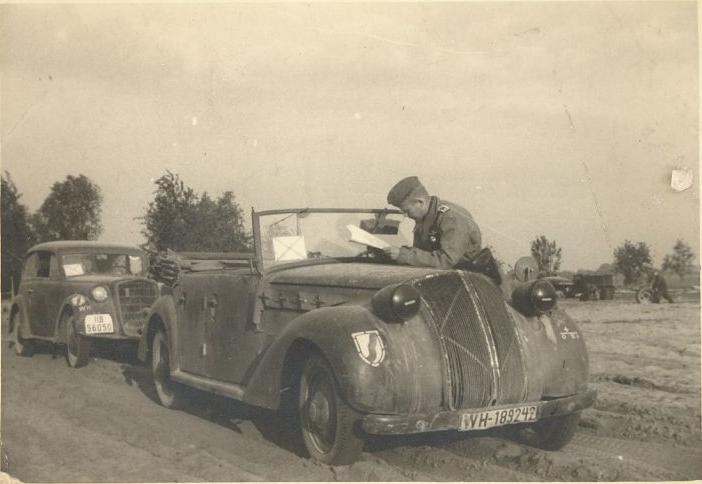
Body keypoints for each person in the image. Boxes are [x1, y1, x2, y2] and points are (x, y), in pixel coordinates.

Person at [383, 176, 482, 270]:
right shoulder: (425, 216)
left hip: (467, 274)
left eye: (407, 211)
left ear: (420, 202)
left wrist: (404, 255)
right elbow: (422, 252)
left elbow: (446, 261)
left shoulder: (451, 218)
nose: (406, 215)